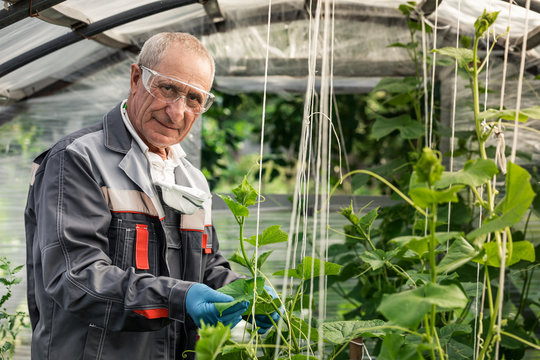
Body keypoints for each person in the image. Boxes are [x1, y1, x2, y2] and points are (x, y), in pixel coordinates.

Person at [24, 32, 278, 360]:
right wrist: (179, 297)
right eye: (167, 88)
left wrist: (243, 290)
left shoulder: (192, 179)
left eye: (194, 99)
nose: (177, 112)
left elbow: (204, 264)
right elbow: (75, 278)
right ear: (136, 78)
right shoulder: (78, 160)